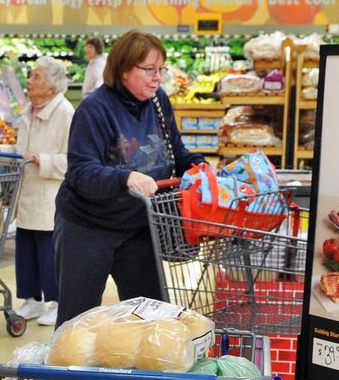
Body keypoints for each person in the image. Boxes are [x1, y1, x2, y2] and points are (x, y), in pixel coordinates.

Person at [54, 29, 204, 327]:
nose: (157, 77)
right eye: (149, 69)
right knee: (78, 320)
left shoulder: (158, 102)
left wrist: (199, 167)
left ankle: (140, 374)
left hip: (139, 227)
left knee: (151, 317)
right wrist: (126, 177)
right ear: (123, 70)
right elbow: (81, 172)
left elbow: (175, 152)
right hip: (87, 228)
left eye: (161, 69)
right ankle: (71, 375)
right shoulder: (95, 110)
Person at [12, 56, 74, 328]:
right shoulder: (27, 111)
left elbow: (74, 160)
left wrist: (42, 159)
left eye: (36, 76)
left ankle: (57, 302)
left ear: (51, 87)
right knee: (25, 248)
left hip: (50, 194)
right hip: (27, 192)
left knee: (50, 251)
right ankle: (32, 299)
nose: (29, 80)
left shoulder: (65, 113)